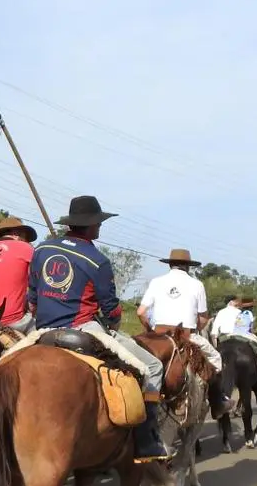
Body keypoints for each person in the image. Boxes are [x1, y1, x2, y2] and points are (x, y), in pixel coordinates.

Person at [27, 195, 169, 463]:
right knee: (151, 367)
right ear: (91, 226)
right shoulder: (97, 260)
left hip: (42, 330)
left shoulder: (41, 250)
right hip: (84, 328)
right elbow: (111, 309)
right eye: (99, 223)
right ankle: (147, 440)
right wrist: (114, 324)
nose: (100, 228)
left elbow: (32, 298)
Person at [137, 249, 234, 413]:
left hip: (158, 335)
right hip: (186, 336)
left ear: (170, 264)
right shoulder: (197, 284)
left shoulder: (156, 281)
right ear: (188, 266)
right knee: (216, 358)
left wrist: (151, 331)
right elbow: (203, 318)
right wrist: (195, 329)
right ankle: (217, 403)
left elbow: (141, 312)